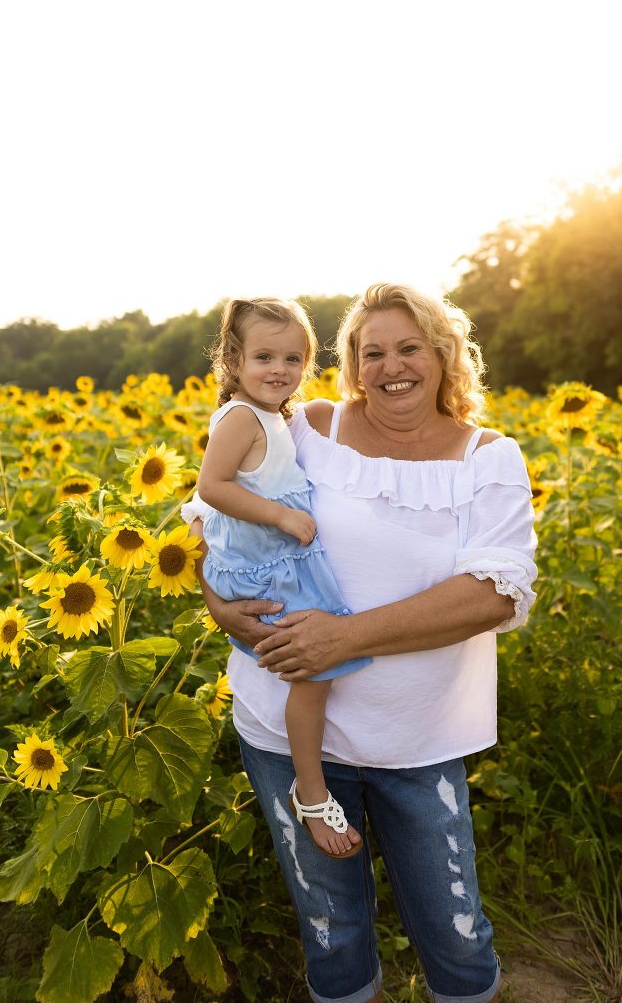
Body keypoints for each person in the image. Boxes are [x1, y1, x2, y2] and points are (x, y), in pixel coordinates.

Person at [187, 283, 538, 1003]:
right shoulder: (310, 428)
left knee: (456, 932)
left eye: (409, 347)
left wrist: (344, 636)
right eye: (370, 351)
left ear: (442, 355)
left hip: (419, 735)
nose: (391, 366)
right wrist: (218, 603)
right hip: (285, 723)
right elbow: (211, 512)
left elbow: (496, 592)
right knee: (333, 933)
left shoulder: (489, 458)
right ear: (349, 364)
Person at [190, 297, 369, 857]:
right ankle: (311, 793)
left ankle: (312, 786)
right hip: (269, 570)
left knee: (314, 672)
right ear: (234, 360)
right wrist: (282, 515)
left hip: (275, 564)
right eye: (264, 356)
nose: (279, 370)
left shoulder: (270, 416)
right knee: (314, 672)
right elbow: (211, 488)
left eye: (293, 358)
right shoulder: (242, 418)